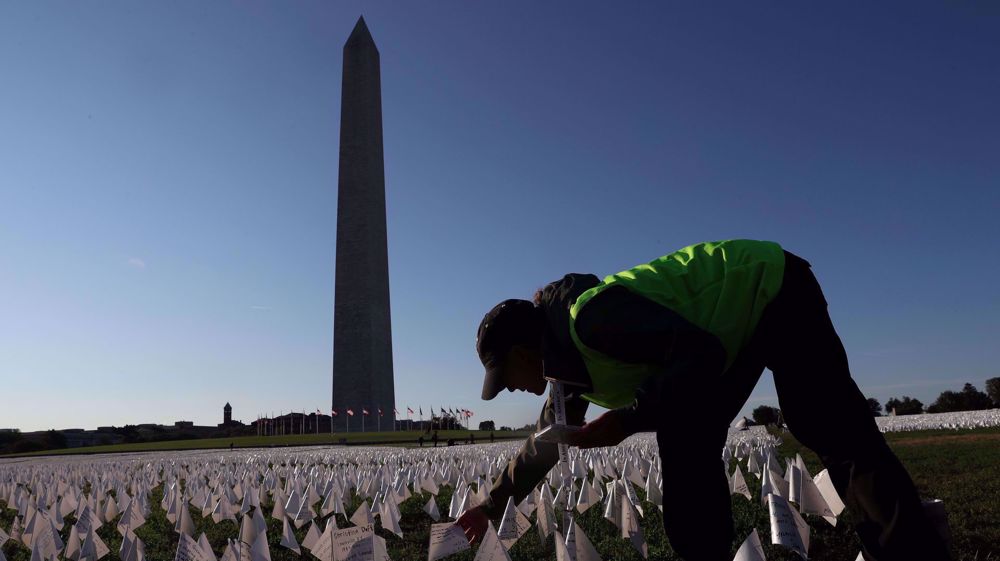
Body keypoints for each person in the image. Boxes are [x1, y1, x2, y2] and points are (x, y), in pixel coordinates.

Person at [457, 240, 950, 561]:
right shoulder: (563, 372)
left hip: (770, 288)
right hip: (722, 336)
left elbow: (699, 352)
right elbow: (545, 445)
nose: (513, 389)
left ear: (525, 350)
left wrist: (628, 420)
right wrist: (489, 505)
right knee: (686, 443)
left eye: (508, 377)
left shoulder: (591, 319)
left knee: (828, 424)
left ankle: (913, 551)